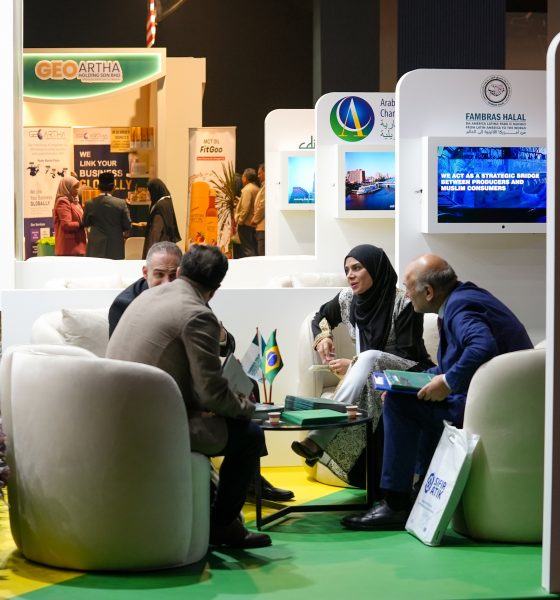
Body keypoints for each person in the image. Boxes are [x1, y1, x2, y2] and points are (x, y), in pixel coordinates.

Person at [342, 254, 534, 531]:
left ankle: (395, 504)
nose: (406, 295)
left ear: (429, 292)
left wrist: (447, 383)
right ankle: (419, 489)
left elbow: (482, 347)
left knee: (398, 404)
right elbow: (452, 364)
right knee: (406, 396)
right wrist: (409, 383)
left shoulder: (461, 307)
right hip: (493, 397)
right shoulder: (463, 298)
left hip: (492, 405)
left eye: (408, 287)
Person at [106, 245, 272, 548]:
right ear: (216, 289)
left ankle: (212, 513)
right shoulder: (198, 314)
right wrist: (247, 408)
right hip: (152, 426)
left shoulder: (143, 297)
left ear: (181, 272)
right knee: (250, 436)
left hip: (119, 414)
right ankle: (223, 526)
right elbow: (211, 392)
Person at [291, 245, 433, 487]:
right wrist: (323, 337)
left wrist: (356, 364)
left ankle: (319, 437)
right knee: (368, 359)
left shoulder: (404, 302)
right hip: (369, 371)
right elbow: (321, 316)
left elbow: (406, 352)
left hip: (409, 371)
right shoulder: (347, 299)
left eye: (357, 268)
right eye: (347, 270)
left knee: (368, 358)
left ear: (376, 269)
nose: (350, 275)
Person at [83, 172, 131, 259]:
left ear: (98, 187)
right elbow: (127, 225)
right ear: (114, 187)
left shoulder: (89, 203)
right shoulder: (121, 203)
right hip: (115, 247)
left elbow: (85, 223)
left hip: (95, 246)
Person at [141, 178, 181, 259]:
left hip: (158, 251)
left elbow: (156, 233)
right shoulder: (166, 201)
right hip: (165, 248)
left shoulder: (160, 206)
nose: (148, 193)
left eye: (149, 190)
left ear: (155, 190)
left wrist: (149, 255)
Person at [52, 175, 86, 256]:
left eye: (78, 187)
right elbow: (66, 225)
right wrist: (81, 224)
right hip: (69, 247)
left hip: (76, 246)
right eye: (74, 187)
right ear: (66, 187)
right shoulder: (63, 201)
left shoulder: (74, 201)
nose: (77, 190)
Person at [234, 168, 259, 257]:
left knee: (247, 249)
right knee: (252, 247)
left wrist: (240, 221)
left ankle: (250, 265)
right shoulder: (256, 188)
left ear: (245, 178)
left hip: (246, 224)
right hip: (253, 223)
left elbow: (245, 209)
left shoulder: (247, 189)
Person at [251, 163, 265, 256]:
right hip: (261, 226)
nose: (258, 176)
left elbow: (262, 206)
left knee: (262, 254)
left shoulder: (267, 186)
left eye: (260, 173)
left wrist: (255, 220)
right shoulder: (263, 186)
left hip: (263, 226)